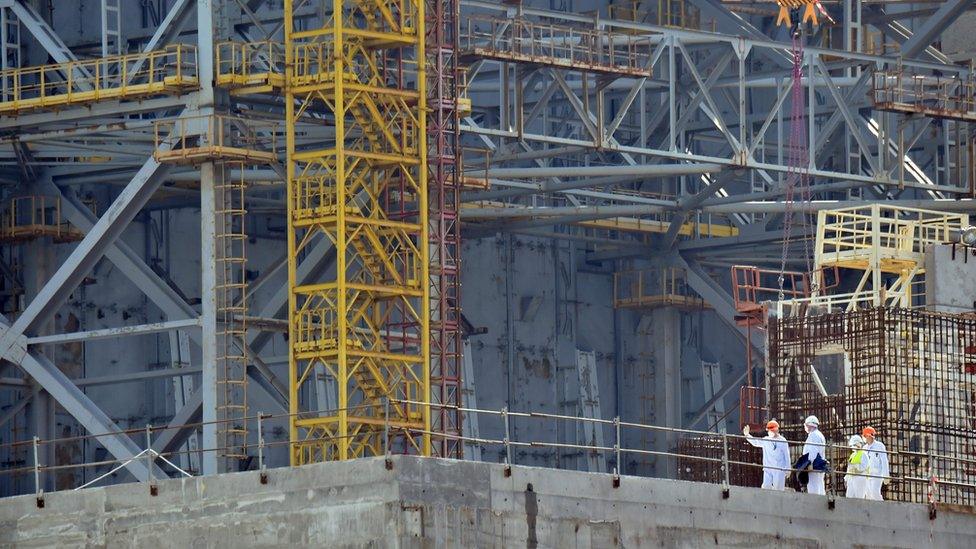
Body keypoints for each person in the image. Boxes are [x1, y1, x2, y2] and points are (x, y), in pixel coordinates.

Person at [743, 419, 791, 490]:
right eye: (769, 430)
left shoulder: (783, 441)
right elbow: (755, 442)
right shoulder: (766, 440)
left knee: (778, 489)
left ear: (777, 430)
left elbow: (787, 456)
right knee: (766, 487)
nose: (770, 432)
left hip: (779, 469)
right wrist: (747, 435)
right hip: (768, 468)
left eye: (772, 430)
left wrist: (788, 469)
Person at [797, 415, 828, 495]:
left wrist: (810, 463)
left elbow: (813, 451)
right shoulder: (819, 434)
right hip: (818, 465)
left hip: (814, 465)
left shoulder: (813, 435)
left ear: (809, 425)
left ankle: (815, 505)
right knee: (819, 485)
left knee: (813, 486)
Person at [862, 426, 889, 501]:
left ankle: (882, 508)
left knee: (875, 493)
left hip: (877, 475)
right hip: (867, 475)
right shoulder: (864, 448)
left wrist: (886, 476)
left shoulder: (879, 446)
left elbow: (884, 461)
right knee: (868, 495)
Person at [845, 434, 868, 498]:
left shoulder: (863, 454)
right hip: (852, 478)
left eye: (854, 445)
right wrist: (846, 478)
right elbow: (849, 467)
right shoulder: (853, 455)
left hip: (860, 479)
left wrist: (857, 469)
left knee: (859, 497)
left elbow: (864, 466)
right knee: (849, 497)